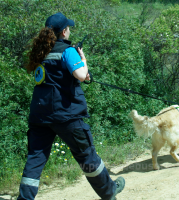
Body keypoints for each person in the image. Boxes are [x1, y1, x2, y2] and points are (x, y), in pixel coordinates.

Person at [17, 12, 125, 200]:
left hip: (40, 115)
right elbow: (82, 76)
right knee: (87, 156)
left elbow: (52, 77)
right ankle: (109, 192)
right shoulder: (68, 51)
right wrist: (83, 60)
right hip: (66, 115)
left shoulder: (40, 52)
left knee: (35, 160)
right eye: (68, 28)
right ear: (64, 31)